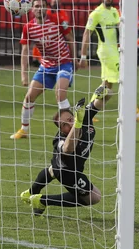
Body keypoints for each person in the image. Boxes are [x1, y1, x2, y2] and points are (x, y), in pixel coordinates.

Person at [20, 86, 109, 215]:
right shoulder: (60, 138)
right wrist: (77, 124)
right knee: (94, 197)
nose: (69, 124)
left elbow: (97, 104)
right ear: (61, 130)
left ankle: (31, 192)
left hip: (60, 164)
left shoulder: (83, 117)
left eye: (70, 119)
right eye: (64, 125)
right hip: (67, 172)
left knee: (52, 170)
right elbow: (68, 148)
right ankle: (42, 200)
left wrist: (102, 94)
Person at [78, 0, 139, 122]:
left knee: (106, 85)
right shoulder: (96, 14)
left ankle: (87, 112)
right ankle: (135, 113)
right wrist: (83, 56)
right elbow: (86, 33)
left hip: (115, 51)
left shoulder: (114, 11)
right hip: (106, 52)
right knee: (125, 79)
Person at [10, 0, 76, 139]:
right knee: (29, 97)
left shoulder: (57, 20)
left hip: (63, 62)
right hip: (46, 66)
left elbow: (70, 38)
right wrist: (24, 74)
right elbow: (25, 50)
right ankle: (24, 130)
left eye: (42, 6)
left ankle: (71, 129)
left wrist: (74, 59)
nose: (40, 8)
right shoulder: (28, 27)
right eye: (37, 6)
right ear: (32, 9)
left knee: (60, 94)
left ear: (47, 8)